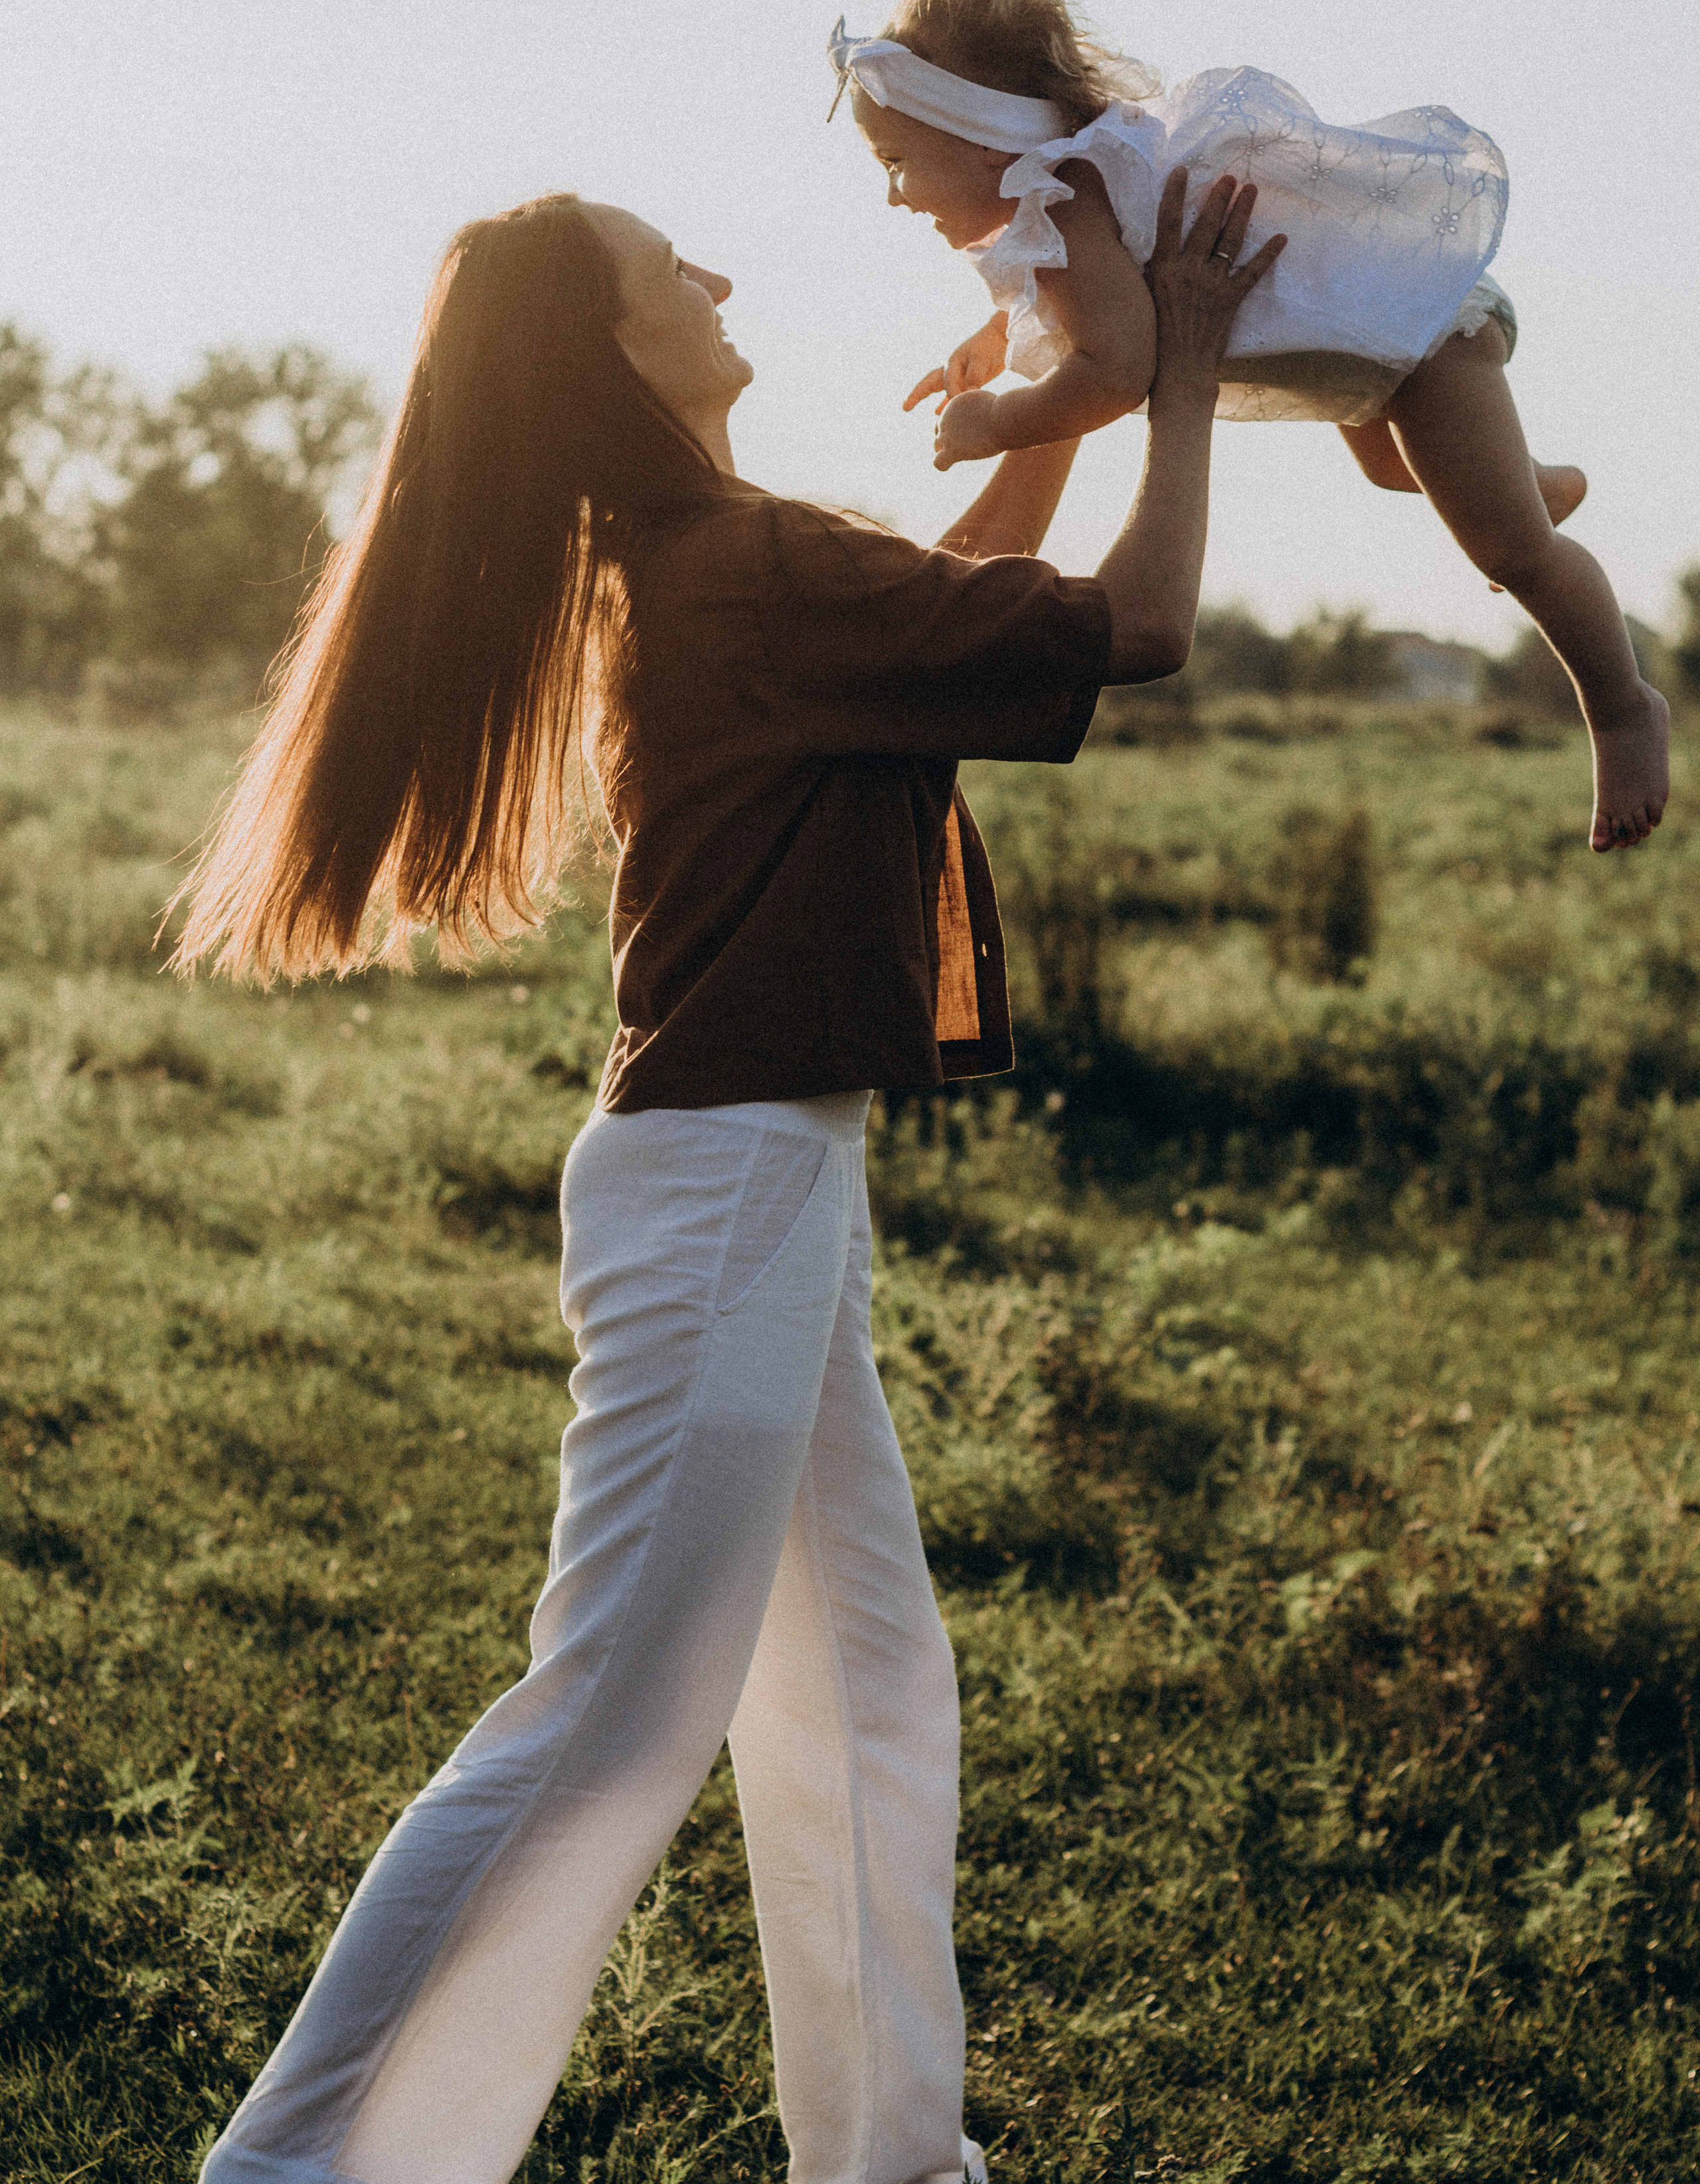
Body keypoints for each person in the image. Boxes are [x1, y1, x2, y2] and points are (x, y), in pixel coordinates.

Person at [173, 165, 1279, 2184]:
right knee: (605, 1723)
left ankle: (892, 2156)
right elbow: (1142, 630)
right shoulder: (738, 566)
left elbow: (962, 625)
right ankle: (296, 2173)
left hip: (757, 1180)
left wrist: (1064, 407)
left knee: (861, 1681)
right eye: (669, 265)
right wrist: (1177, 383)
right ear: (614, 348)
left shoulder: (723, 563)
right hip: (730, 1187)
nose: (718, 271)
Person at [830, 0, 1669, 853]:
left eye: (896, 163)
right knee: (1395, 469)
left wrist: (996, 421)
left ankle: (1622, 709)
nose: (894, 194)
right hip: (1364, 352)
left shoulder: (1069, 200)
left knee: (1512, 550)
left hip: (1426, 335)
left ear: (985, 140)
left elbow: (1116, 370)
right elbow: (1072, 307)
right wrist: (993, 343)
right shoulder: (1068, 199)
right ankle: (1535, 482)